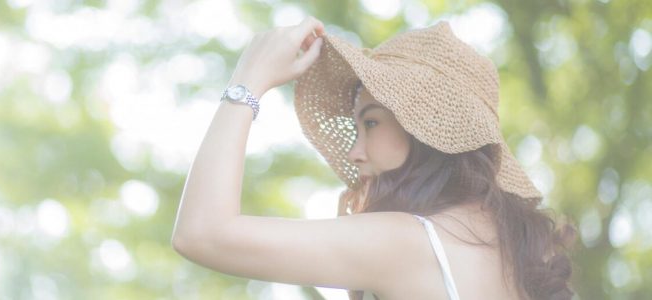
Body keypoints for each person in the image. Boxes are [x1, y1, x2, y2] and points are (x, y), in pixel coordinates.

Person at [172, 16, 577, 300]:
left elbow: (201, 233)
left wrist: (248, 79)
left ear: (426, 125)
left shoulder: (408, 242)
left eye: (370, 123)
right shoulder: (528, 257)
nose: (354, 151)